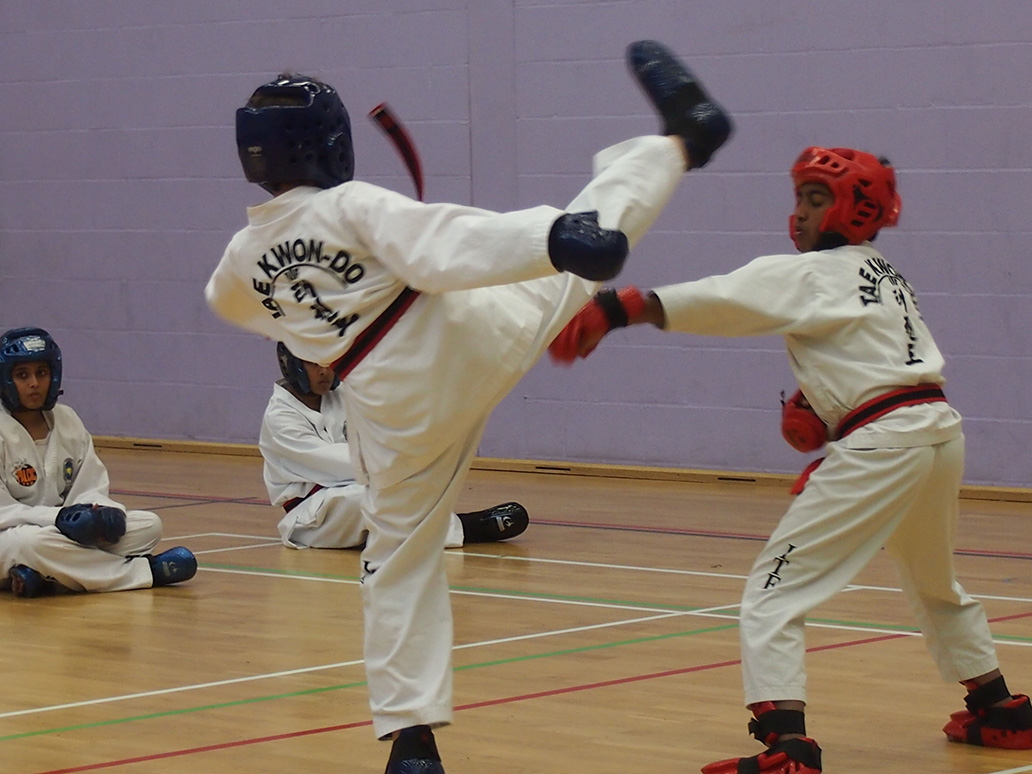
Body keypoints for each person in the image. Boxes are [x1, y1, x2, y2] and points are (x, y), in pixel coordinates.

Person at [205, 39, 732, 774]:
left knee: (398, 560)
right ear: (329, 144)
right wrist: (557, 240)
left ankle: (412, 742)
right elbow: (447, 242)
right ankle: (682, 141)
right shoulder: (353, 206)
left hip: (391, 407)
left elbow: (229, 303)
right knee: (580, 249)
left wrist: (317, 319)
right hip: (459, 341)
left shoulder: (236, 264)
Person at [549, 146, 1032, 772]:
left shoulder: (813, 274)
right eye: (799, 197)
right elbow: (879, 361)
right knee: (935, 584)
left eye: (815, 198)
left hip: (883, 445)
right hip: (935, 434)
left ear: (856, 210)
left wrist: (621, 308)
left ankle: (788, 749)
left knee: (773, 593)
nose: (798, 214)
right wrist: (830, 409)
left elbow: (726, 297)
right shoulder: (882, 272)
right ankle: (999, 709)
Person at [261, 343, 530, 549]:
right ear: (292, 364)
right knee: (367, 498)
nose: (325, 371)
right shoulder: (280, 419)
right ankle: (468, 528)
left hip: (361, 485)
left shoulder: (344, 394)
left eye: (330, 361)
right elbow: (336, 464)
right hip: (312, 517)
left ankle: (397, 531)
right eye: (314, 363)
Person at [0, 327, 197, 598]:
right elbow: (3, 511)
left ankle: (44, 575)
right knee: (32, 542)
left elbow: (89, 485)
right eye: (22, 375)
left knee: (149, 526)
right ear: (6, 379)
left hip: (60, 535)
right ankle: (145, 572)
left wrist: (104, 513)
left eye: (41, 373)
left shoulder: (67, 419)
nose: (34, 383)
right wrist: (57, 518)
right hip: (12, 537)